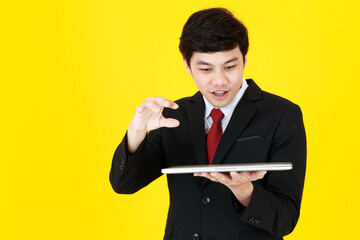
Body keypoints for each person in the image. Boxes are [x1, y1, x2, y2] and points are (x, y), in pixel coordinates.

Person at [110, 7, 306, 240]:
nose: (220, 81)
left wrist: (245, 191)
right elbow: (124, 184)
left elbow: (286, 220)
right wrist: (137, 130)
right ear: (187, 65)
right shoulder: (175, 115)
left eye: (230, 67)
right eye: (205, 69)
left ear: (244, 59)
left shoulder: (283, 115)